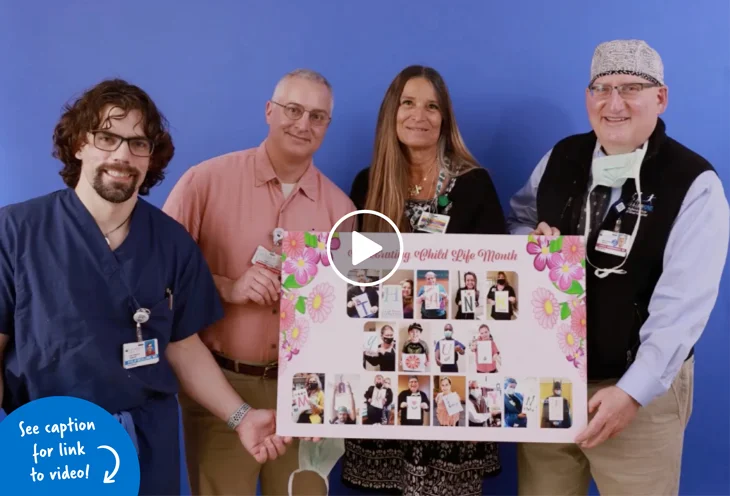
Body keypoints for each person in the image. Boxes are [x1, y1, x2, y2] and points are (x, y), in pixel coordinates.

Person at [0, 79, 290, 496]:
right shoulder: (17, 233)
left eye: (138, 143)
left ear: (151, 158)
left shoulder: (171, 243)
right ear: (79, 143)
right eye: (107, 137)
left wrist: (242, 417)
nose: (122, 154)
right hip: (49, 447)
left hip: (144, 447)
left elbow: (182, 345)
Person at [506, 39, 729, 495]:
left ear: (660, 98)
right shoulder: (560, 158)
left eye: (630, 88)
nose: (613, 103)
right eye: (601, 88)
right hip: (551, 381)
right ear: (587, 96)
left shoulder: (694, 184)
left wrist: (632, 392)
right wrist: (526, 243)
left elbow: (682, 307)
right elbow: (520, 217)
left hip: (637, 392)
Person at [162, 69, 356, 496]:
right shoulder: (204, 182)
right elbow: (157, 280)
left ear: (327, 126)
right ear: (269, 111)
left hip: (305, 392)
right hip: (222, 387)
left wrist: (333, 404)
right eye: (293, 110)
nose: (303, 124)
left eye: (317, 116)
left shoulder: (342, 209)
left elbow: (348, 313)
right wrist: (225, 286)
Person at [343, 64, 503, 496]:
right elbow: (353, 278)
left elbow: (494, 281)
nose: (420, 115)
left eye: (433, 106)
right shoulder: (368, 184)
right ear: (390, 114)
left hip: (453, 373)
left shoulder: (474, 185)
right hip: (386, 369)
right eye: (408, 103)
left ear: (445, 120)